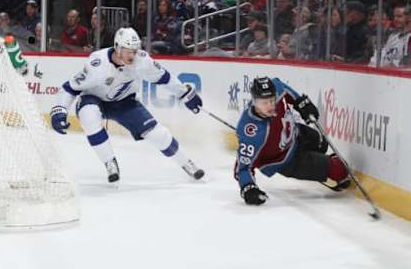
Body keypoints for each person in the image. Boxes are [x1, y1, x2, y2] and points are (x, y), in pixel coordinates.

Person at [50, 27, 204, 183]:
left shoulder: (142, 61)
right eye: (128, 51)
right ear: (117, 48)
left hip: (124, 102)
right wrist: (60, 110)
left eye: (135, 50)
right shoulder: (97, 64)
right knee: (89, 117)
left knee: (158, 134)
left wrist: (184, 93)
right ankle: (110, 162)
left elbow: (164, 78)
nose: (133, 55)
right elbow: (69, 88)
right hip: (93, 98)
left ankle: (187, 163)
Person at [234, 77, 350, 205]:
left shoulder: (275, 90)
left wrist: (301, 104)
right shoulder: (250, 132)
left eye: (272, 101)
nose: (270, 106)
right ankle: (325, 171)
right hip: (286, 160)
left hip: (297, 134)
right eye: (264, 103)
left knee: (322, 143)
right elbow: (242, 167)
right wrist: (248, 187)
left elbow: (283, 88)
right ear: (254, 101)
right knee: (340, 170)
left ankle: (321, 165)